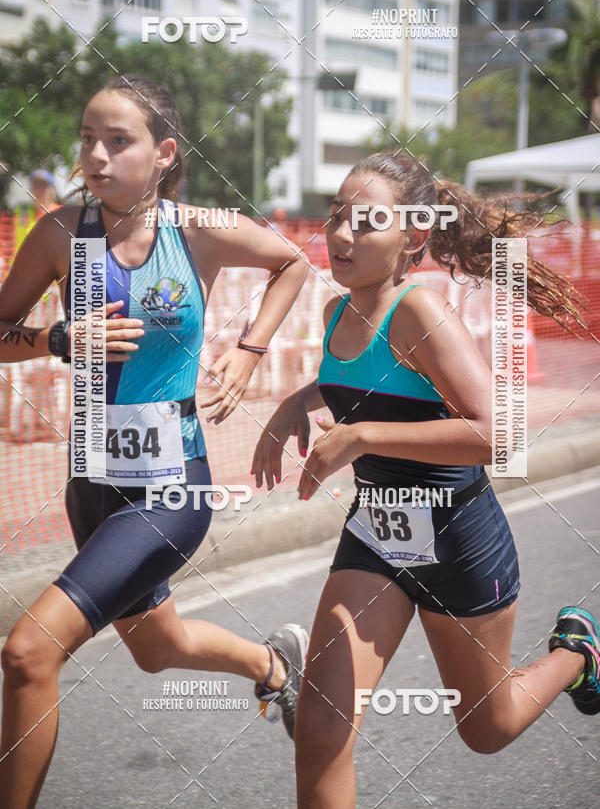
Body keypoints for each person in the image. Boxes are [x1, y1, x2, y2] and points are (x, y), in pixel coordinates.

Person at [250, 151, 600, 808]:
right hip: (379, 538)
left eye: (366, 221)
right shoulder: (337, 314)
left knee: (488, 728)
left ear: (412, 238)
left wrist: (363, 436)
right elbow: (361, 383)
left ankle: (580, 653)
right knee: (321, 728)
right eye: (336, 217)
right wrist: (296, 405)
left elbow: (500, 435)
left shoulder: (422, 312)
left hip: (459, 544)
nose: (342, 234)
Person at [0, 75, 310, 809]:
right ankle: (276, 667)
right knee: (156, 646)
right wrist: (57, 337)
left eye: (118, 140)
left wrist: (250, 349)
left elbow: (293, 263)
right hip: (93, 482)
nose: (95, 156)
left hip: (174, 484)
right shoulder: (59, 235)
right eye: (87, 139)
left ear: (164, 152)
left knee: (26, 652)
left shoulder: (195, 229)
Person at [13, 169, 61, 255]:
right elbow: (18, 244)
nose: (39, 189)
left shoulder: (61, 213)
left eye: (43, 185)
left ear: (51, 189)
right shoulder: (23, 214)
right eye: (36, 185)